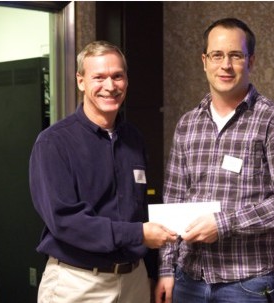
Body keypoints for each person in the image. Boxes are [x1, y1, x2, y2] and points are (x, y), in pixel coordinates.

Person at [155, 18, 274, 303]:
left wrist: (224, 223)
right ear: (204, 61)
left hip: (249, 283)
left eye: (235, 55)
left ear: (251, 61)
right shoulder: (187, 124)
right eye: (217, 55)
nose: (225, 65)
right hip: (189, 280)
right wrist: (166, 269)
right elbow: (173, 199)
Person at [29, 40, 177, 302]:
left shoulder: (134, 138)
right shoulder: (53, 143)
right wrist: (139, 234)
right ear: (81, 81)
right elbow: (65, 221)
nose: (110, 86)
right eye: (99, 77)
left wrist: (153, 272)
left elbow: (141, 209)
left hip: (135, 281)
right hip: (79, 283)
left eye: (117, 76)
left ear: (127, 81)